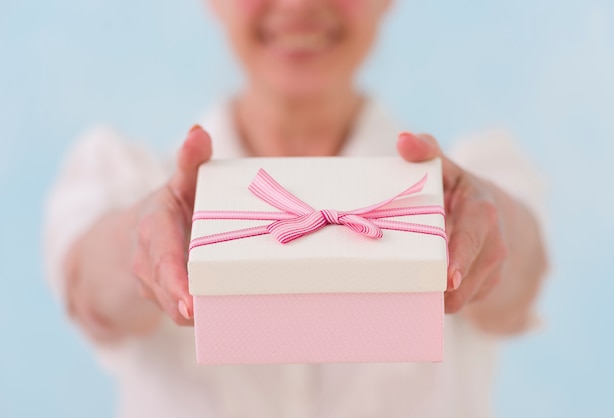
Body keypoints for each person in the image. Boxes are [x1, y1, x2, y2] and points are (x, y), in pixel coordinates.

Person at [44, 1, 548, 417]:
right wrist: (142, 242)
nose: (301, 5)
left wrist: (492, 231)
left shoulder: (462, 188)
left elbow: (522, 268)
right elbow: (88, 283)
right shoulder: (123, 176)